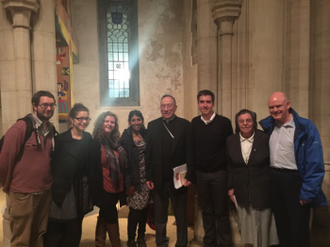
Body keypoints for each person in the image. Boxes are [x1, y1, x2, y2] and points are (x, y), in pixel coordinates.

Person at [259, 92, 327, 247]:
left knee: (299, 228)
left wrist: (308, 190)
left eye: (278, 106)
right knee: (282, 225)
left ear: (288, 105)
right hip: (275, 179)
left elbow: (315, 162)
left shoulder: (305, 127)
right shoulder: (270, 127)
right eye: (271, 107)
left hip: (295, 181)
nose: (275, 110)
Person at [0, 90, 57, 246]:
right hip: (23, 194)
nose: (49, 108)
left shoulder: (50, 130)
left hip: (44, 192)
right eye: (45, 105)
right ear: (34, 106)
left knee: (39, 234)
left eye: (52, 105)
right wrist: (9, 186)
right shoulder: (20, 128)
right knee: (21, 238)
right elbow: (4, 162)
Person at [146, 95, 193, 247]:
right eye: (163, 106)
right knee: (160, 216)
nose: (166, 109)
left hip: (179, 179)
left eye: (169, 106)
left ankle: (182, 243)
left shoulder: (185, 125)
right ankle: (161, 242)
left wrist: (190, 175)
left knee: (180, 215)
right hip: (159, 179)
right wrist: (149, 176)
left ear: (175, 107)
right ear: (160, 107)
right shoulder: (152, 126)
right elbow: (149, 154)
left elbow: (189, 152)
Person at [226, 109, 278, 247]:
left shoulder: (265, 138)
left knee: (264, 225)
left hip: (262, 189)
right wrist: (230, 187)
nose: (245, 124)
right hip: (242, 189)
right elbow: (230, 166)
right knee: (247, 227)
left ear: (254, 122)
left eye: (248, 120)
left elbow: (272, 163)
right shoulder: (231, 140)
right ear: (237, 123)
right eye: (241, 121)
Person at [43, 103, 93, 247]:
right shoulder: (61, 140)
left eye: (87, 119)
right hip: (64, 187)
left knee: (76, 225)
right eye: (80, 118)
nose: (84, 122)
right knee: (58, 224)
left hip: (82, 187)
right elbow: (54, 166)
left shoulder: (88, 138)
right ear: (71, 119)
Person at [190, 90, 233, 247]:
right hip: (200, 174)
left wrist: (230, 175)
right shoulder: (194, 123)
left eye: (208, 102)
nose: (205, 105)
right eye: (202, 102)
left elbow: (230, 150)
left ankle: (225, 243)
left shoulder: (224, 123)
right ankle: (210, 243)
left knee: (221, 212)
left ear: (213, 104)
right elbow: (191, 150)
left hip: (219, 174)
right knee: (206, 211)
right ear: (198, 104)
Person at [90, 111, 127, 247]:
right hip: (105, 187)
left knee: (105, 214)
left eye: (112, 122)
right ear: (101, 123)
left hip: (118, 186)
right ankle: (115, 243)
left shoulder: (116, 141)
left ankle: (99, 243)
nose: (109, 124)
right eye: (106, 121)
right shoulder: (96, 143)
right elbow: (93, 170)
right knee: (111, 215)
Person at [121, 110, 150, 247]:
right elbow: (125, 164)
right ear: (129, 122)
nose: (136, 122)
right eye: (133, 120)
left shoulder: (146, 134)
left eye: (139, 119)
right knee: (134, 211)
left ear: (142, 120)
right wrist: (128, 184)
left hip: (147, 178)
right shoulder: (125, 137)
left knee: (145, 209)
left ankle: (141, 237)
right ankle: (131, 238)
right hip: (134, 178)